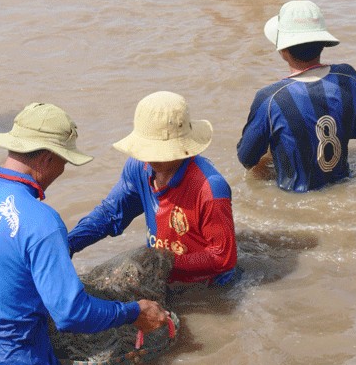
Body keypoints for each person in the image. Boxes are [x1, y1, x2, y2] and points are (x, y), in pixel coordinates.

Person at [0, 102, 167, 365]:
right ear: (47, 159)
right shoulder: (42, 222)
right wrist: (132, 312)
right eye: (64, 161)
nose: (63, 170)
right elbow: (71, 314)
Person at [68, 91, 238, 285]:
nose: (149, 157)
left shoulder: (210, 189)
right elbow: (111, 214)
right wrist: (69, 244)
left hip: (204, 285)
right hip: (160, 275)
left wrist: (163, 263)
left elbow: (223, 258)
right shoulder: (138, 167)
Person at [237, 0, 356, 192]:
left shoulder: (270, 98)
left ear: (283, 50)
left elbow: (246, 158)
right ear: (322, 43)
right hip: (345, 184)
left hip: (295, 199)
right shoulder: (348, 77)